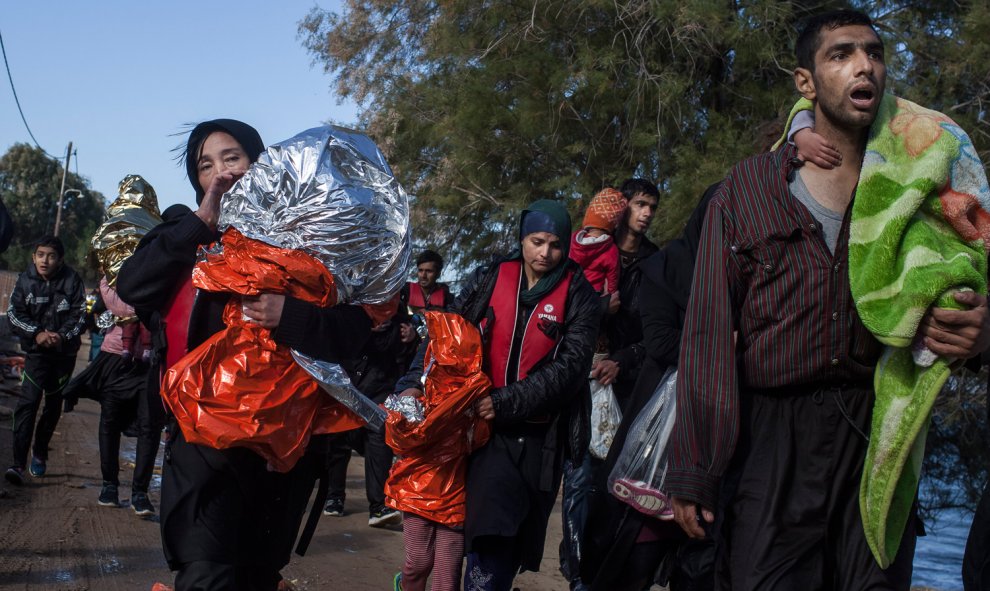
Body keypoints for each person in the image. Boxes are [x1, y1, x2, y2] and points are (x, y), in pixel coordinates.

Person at [666, 10, 990, 590]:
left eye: (874, 52)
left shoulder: (923, 186)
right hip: (770, 448)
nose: (863, 65)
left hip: (878, 440)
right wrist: (695, 468)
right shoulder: (747, 189)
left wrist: (981, 337)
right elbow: (709, 337)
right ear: (806, 82)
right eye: (840, 54)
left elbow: (971, 281)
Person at [116, 119, 374, 590]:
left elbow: (356, 333)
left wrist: (288, 315)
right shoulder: (184, 236)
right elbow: (134, 286)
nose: (220, 173)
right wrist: (200, 223)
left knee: (257, 575)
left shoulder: (308, 241)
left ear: (261, 164)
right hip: (202, 440)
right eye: (205, 165)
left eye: (232, 158)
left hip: (282, 448)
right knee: (204, 573)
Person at [397, 199, 601, 591]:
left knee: (503, 537)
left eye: (556, 245)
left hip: (537, 438)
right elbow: (447, 334)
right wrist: (412, 382)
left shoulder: (580, 295)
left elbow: (571, 369)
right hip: (476, 429)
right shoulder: (490, 277)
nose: (546, 253)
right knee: (465, 529)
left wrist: (507, 402)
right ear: (522, 239)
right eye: (537, 242)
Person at [581, 183, 720, 591]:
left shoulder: (733, 272)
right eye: (639, 205)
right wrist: (720, 346)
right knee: (626, 532)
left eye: (652, 207)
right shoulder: (666, 266)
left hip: (709, 425)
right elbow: (658, 342)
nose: (646, 213)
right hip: (651, 410)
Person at [63, 276, 158, 515]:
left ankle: (140, 493)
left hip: (149, 363)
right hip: (116, 359)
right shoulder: (118, 274)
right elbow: (114, 302)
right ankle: (109, 486)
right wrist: (142, 307)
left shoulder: (163, 273)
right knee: (110, 423)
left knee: (150, 427)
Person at [322, 295, 413, 527]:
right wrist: (363, 327)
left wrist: (410, 338)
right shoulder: (348, 305)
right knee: (338, 439)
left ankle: (378, 506)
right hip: (346, 382)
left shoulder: (400, 316)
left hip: (380, 386)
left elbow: (404, 353)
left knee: (379, 437)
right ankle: (333, 498)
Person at [5, 235, 85, 484]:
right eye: (40, 255)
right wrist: (36, 333)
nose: (45, 260)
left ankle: (39, 453)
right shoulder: (24, 280)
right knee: (27, 404)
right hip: (36, 355)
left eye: (51, 256)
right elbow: (14, 314)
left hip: (64, 356)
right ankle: (18, 464)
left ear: (60, 260)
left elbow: (80, 316)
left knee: (52, 405)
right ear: (34, 257)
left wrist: (61, 336)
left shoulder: (72, 280)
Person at [569, 187, 626, 302]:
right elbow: (613, 277)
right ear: (614, 224)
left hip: (569, 289)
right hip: (592, 294)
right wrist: (610, 294)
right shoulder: (611, 249)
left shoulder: (572, 240)